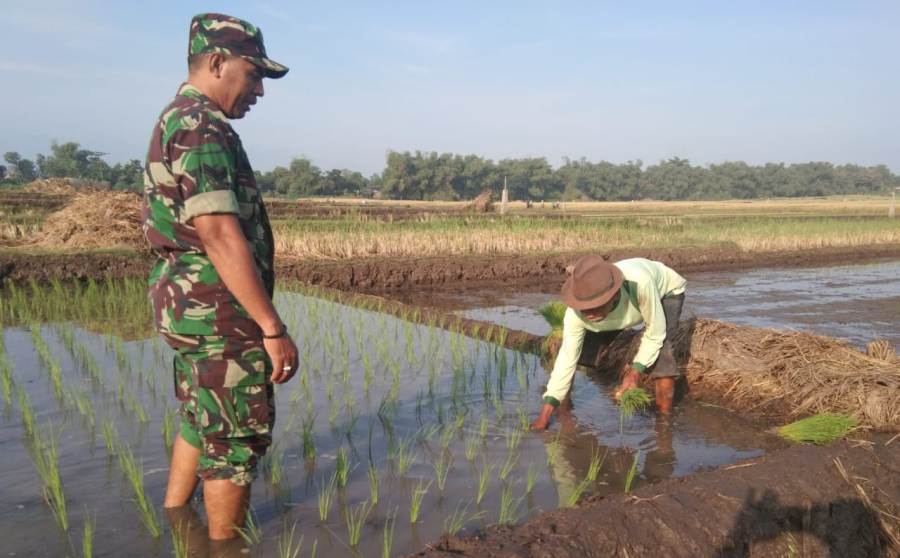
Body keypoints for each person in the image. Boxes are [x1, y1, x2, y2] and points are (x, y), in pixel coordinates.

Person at [141, 13, 296, 541]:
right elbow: (220, 234)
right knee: (233, 440)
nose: (258, 90)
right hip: (218, 313)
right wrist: (271, 328)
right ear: (216, 62)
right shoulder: (201, 126)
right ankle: (223, 548)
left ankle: (177, 522)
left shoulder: (178, 119)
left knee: (201, 413)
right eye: (253, 75)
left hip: (189, 307)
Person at [531, 256, 686, 430]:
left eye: (595, 306)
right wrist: (544, 416)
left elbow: (655, 333)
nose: (589, 314)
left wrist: (635, 372)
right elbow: (567, 358)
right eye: (584, 308)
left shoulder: (640, 284)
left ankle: (663, 424)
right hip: (616, 311)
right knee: (581, 351)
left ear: (615, 295)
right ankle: (564, 411)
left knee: (662, 355)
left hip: (666, 292)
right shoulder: (576, 314)